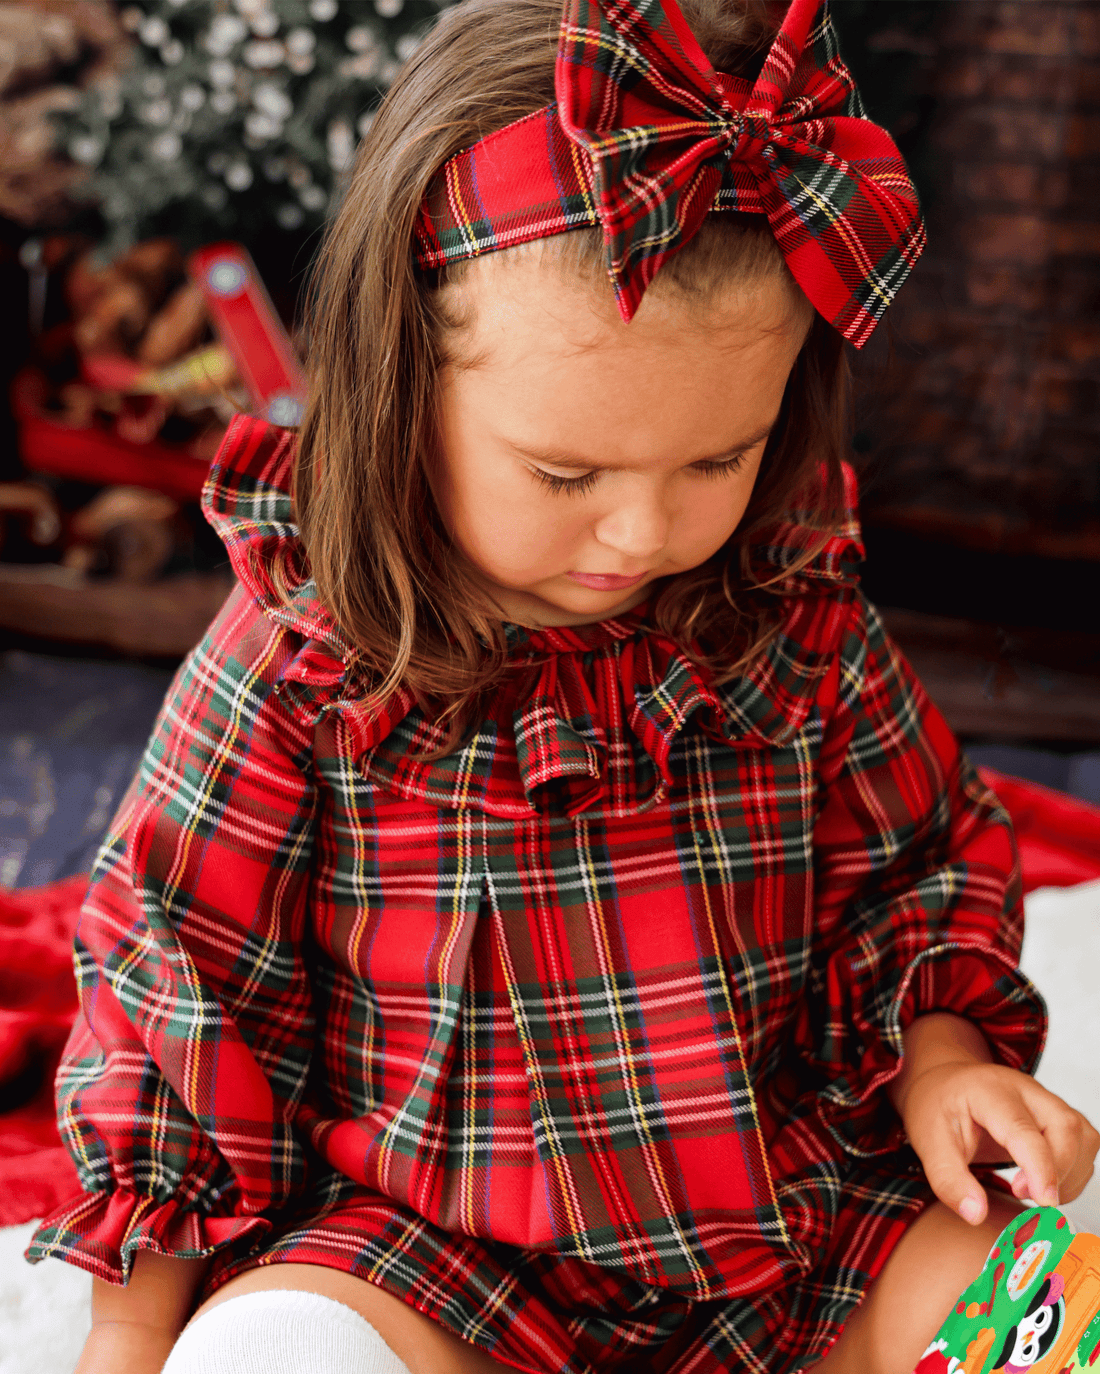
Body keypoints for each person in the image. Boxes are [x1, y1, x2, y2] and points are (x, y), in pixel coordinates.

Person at [29, 0, 1099, 1371]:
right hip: (438, 1257)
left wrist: (950, 1064)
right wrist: (127, 1336)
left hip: (790, 1228)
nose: (646, 534)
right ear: (400, 383)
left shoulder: (794, 612)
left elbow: (919, 871)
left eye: (717, 459)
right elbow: (179, 986)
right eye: (565, 475)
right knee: (275, 1352)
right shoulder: (306, 657)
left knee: (1051, 1299)